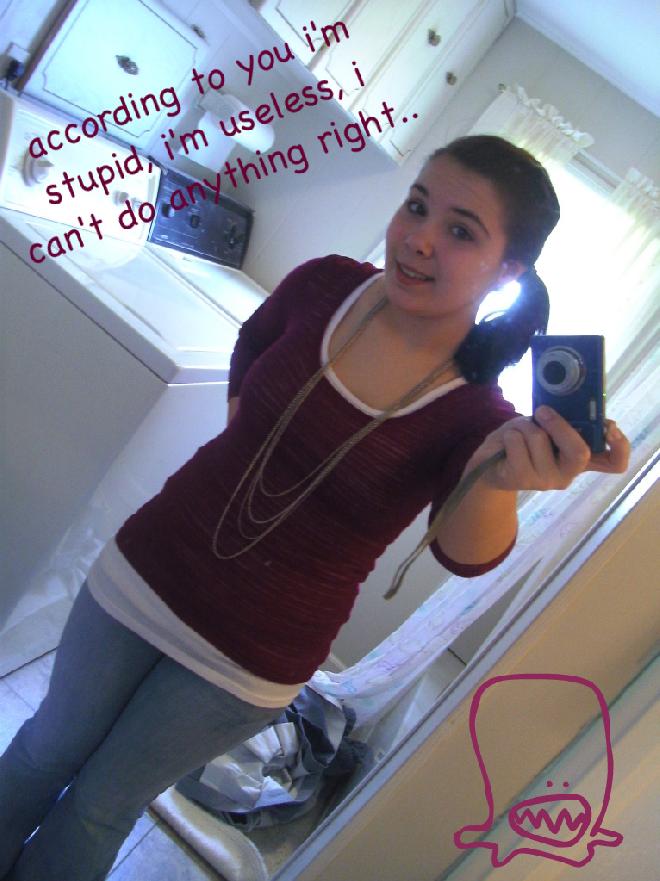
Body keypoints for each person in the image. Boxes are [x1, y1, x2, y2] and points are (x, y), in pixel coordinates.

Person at [0, 135, 630, 880]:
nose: (420, 238)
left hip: (249, 660)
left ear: (508, 272)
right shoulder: (326, 284)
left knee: (100, 806)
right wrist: (247, 442)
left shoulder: (479, 417)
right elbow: (255, 341)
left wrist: (501, 482)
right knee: (43, 749)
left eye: (461, 231)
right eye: (417, 206)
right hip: (148, 569)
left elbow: (466, 554)